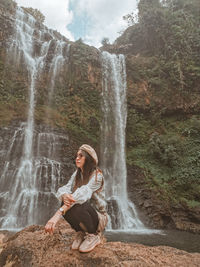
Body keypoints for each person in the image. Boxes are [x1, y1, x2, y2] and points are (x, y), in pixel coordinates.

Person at [45, 144, 108, 253]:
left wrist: (58, 214)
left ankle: (93, 235)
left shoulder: (97, 176)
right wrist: (64, 195)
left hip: (99, 218)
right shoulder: (77, 174)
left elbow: (82, 194)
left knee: (78, 205)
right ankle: (81, 232)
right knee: (65, 202)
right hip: (84, 211)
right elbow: (66, 188)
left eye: (81, 156)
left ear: (88, 159)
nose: (77, 158)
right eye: (76, 156)